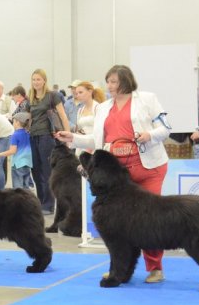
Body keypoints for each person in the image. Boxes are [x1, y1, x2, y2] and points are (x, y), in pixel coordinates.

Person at [55, 64, 170, 284]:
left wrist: (150, 135)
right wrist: (72, 138)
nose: (110, 86)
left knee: (150, 220)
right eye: (108, 81)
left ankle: (155, 268)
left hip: (149, 168)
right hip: (118, 176)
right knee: (119, 225)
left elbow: (166, 128)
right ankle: (120, 269)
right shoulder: (104, 107)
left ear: (126, 81)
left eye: (114, 81)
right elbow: (96, 142)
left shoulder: (147, 99)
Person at [28, 68, 69, 215]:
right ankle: (40, 201)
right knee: (35, 170)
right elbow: (26, 116)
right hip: (33, 137)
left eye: (38, 79)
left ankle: (49, 204)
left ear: (44, 80)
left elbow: (63, 116)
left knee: (47, 171)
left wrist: (68, 135)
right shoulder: (30, 97)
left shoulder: (52, 96)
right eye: (33, 79)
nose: (36, 82)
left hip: (47, 137)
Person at [0, 112, 34, 189]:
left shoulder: (15, 135)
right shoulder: (28, 133)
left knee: (18, 188)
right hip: (27, 163)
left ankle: (18, 201)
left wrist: (0, 154)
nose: (12, 123)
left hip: (17, 164)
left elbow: (12, 151)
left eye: (13, 121)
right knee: (25, 187)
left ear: (17, 122)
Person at [72, 81, 106, 155]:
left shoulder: (98, 108)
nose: (78, 95)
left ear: (90, 91)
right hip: (81, 146)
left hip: (95, 145)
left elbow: (101, 131)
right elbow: (79, 129)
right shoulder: (80, 110)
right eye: (77, 93)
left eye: (81, 92)